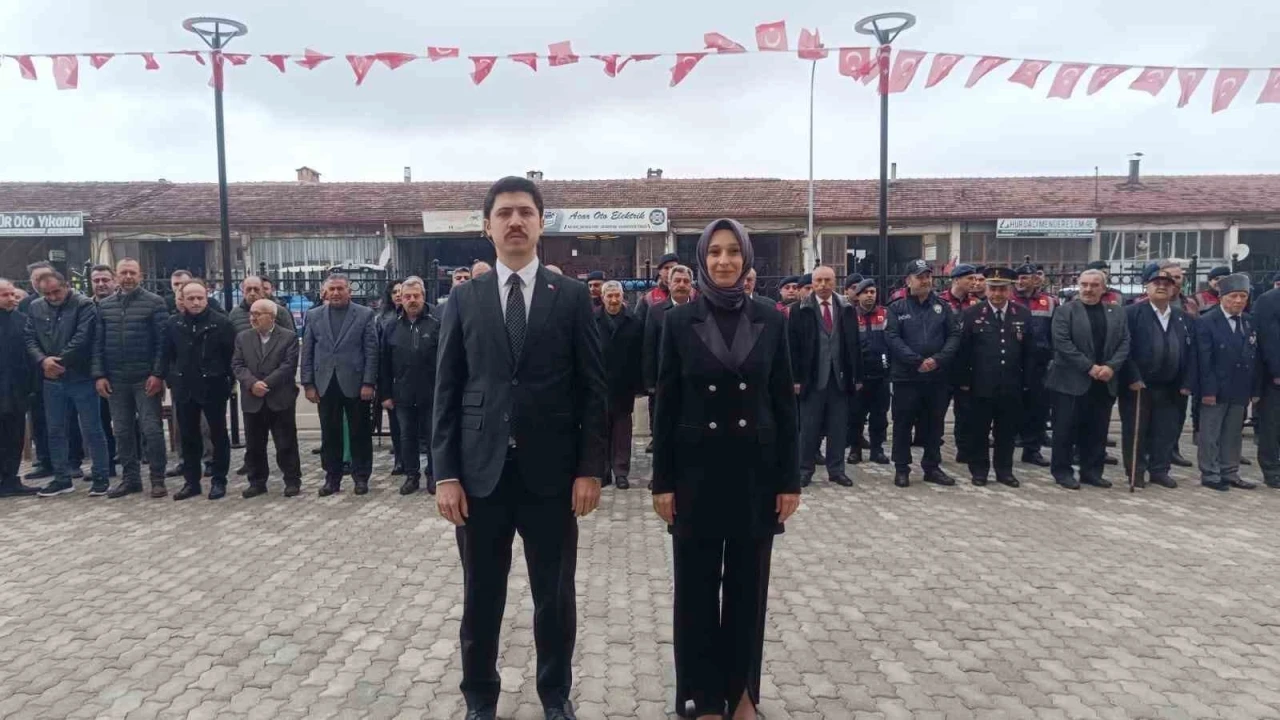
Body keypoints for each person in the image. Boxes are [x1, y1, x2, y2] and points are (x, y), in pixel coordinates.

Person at [432, 175, 607, 720]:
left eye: (525, 212)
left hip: (551, 476)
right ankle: (480, 697)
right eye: (504, 213)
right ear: (487, 226)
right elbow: (447, 389)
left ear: (541, 223)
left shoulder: (571, 297)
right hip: (480, 476)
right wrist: (445, 474)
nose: (515, 221)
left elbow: (593, 389)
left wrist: (589, 469)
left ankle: (555, 695)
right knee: (481, 596)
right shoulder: (464, 299)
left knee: (554, 597)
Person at [651, 217, 800, 720]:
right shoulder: (678, 321)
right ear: (701, 259)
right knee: (695, 592)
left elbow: (784, 404)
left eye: (733, 251)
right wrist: (662, 482)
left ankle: (741, 695)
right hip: (695, 475)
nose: (724, 261)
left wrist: (789, 480)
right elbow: (665, 406)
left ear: (747, 259)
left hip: (756, 475)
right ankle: (702, 697)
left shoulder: (772, 319)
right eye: (714, 252)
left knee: (747, 592)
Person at [25, 271, 112, 498]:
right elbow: (30, 337)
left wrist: (59, 361)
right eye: (47, 294)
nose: (53, 297)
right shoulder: (35, 307)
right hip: (51, 378)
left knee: (92, 429)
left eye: (56, 291)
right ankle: (62, 478)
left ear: (66, 286)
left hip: (81, 375)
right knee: (55, 429)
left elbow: (83, 338)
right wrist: (43, 361)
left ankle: (101, 477)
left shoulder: (83, 305)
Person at [1044, 269, 1130, 490]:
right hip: (1070, 381)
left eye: (1094, 285)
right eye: (1084, 285)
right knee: (1065, 430)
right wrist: (1089, 367)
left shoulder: (1116, 312)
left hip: (1103, 381)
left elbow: (1124, 342)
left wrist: (1111, 367)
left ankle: (1092, 471)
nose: (1088, 289)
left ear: (1104, 288)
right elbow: (1062, 344)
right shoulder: (1065, 311)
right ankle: (1062, 472)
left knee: (1097, 430)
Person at [93, 258, 170, 499]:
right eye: (123, 273)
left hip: (144, 379)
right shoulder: (105, 306)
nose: (128, 277)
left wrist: (158, 374)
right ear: (116, 276)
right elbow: (97, 344)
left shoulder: (154, 303)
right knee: (122, 430)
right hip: (116, 379)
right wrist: (99, 375)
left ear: (141, 275)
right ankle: (131, 479)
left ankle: (157, 479)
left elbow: (162, 343)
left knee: (151, 429)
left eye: (132, 273)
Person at [301, 274, 380, 497]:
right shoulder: (314, 315)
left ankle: (361, 477)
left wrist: (369, 382)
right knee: (329, 433)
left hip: (356, 383)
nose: (336, 293)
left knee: (360, 432)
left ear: (349, 291)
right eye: (332, 289)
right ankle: (332, 478)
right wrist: (308, 384)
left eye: (340, 289)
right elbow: (307, 351)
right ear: (325, 292)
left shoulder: (364, 314)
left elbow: (371, 351)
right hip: (325, 383)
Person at [884, 260, 961, 488]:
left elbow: (954, 335)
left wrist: (937, 359)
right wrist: (917, 361)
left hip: (936, 377)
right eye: (920, 277)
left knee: (934, 424)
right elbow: (892, 338)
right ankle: (902, 468)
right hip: (907, 377)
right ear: (908, 280)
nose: (925, 281)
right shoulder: (896, 308)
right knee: (903, 424)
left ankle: (932, 466)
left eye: (928, 276)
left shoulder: (942, 307)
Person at [955, 267, 1034, 487]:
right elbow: (963, 352)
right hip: (981, 385)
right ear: (986, 289)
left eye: (1002, 289)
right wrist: (963, 382)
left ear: (1010, 290)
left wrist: (1027, 382)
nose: (997, 294)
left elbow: (1029, 352)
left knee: (1006, 431)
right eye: (993, 289)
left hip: (1011, 384)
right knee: (979, 430)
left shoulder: (1022, 314)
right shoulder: (972, 314)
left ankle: (1004, 471)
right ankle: (979, 471)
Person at [1119, 265, 1195, 490]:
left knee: (1166, 431)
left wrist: (1187, 382)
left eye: (1167, 284)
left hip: (1171, 386)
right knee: (1136, 431)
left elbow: (1191, 352)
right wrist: (1132, 376)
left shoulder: (1184, 318)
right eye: (1157, 283)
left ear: (1173, 289)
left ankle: (1160, 470)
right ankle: (1135, 472)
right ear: (1147, 287)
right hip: (1139, 385)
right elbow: (1124, 348)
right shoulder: (1131, 313)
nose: (1162, 287)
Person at [160, 280, 236, 500]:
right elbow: (166, 355)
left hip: (213, 386)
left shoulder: (221, 323)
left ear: (207, 297)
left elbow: (231, 356)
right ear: (182, 300)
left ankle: (219, 480)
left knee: (218, 435)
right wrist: (171, 378)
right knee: (188, 436)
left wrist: (228, 381)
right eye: (190, 298)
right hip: (184, 387)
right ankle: (191, 482)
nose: (195, 302)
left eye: (200, 298)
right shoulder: (173, 324)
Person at [789, 265, 860, 487]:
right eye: (818, 280)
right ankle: (804, 470)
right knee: (808, 429)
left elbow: (854, 344)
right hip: (812, 379)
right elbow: (792, 347)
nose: (822, 285)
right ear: (812, 283)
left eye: (827, 280)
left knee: (838, 427)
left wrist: (857, 377)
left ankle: (836, 470)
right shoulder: (800, 309)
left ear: (835, 282)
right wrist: (795, 379)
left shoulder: (846, 308)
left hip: (839, 378)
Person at [1196, 273, 1260, 491]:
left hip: (1240, 386)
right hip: (1215, 387)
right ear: (1221, 297)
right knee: (1210, 433)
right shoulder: (1206, 321)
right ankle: (1210, 472)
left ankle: (1230, 471)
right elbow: (1204, 360)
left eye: (1243, 296)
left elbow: (1254, 357)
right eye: (1233, 296)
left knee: (1233, 433)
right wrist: (1208, 390)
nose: (1239, 301)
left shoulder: (1249, 321)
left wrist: (1254, 389)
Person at [232, 298, 302, 498]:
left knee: (286, 443)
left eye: (257, 314)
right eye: (251, 314)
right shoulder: (243, 337)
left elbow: (288, 366)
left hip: (279, 398)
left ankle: (292, 480)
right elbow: (237, 364)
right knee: (254, 444)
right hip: (252, 399)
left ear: (271, 316)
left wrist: (266, 384)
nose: (252, 318)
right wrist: (252, 383)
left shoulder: (288, 337)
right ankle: (257, 482)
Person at [378, 277, 439, 496]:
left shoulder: (436, 324)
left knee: (433, 437)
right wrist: (385, 394)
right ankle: (412, 476)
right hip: (402, 395)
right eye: (407, 296)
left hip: (431, 394)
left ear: (423, 297)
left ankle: (433, 475)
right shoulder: (391, 326)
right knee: (407, 437)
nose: (412, 300)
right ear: (400, 299)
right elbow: (384, 363)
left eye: (416, 296)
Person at [595, 280, 644, 489]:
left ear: (623, 297)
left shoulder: (634, 321)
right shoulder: (592, 320)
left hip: (624, 384)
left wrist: (640, 384)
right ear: (603, 298)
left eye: (617, 296)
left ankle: (621, 471)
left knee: (622, 431)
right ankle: (604, 470)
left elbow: (641, 353)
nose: (614, 300)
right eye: (610, 296)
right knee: (601, 429)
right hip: (599, 384)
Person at [642, 265, 695, 453]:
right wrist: (650, 382)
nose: (681, 285)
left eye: (686, 281)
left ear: (691, 285)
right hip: (663, 380)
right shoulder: (656, 311)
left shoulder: (700, 310)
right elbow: (649, 346)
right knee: (662, 428)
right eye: (677, 281)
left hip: (693, 380)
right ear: (669, 284)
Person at [1011, 263, 1057, 467]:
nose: (1020, 281)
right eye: (1018, 278)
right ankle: (1008, 448)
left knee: (1038, 408)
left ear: (1035, 279)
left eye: (1025, 277)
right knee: (1011, 407)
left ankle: (1032, 450)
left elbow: (1055, 332)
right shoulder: (1008, 300)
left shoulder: (1050, 302)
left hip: (1040, 363)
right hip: (1013, 362)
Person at [0, 279, 38, 497]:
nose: (11, 299)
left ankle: (10, 479)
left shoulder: (21, 320)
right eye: (5, 295)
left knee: (15, 435)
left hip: (16, 389)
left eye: (13, 294)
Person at [20, 261, 57, 481]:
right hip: (36, 371)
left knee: (64, 419)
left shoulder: (66, 301)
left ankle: (71, 460)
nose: (40, 282)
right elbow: (26, 336)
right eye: (35, 279)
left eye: (43, 277)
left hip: (61, 367)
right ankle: (44, 461)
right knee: (40, 419)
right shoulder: (26, 304)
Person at [848, 279, 891, 465]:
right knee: (855, 415)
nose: (869, 295)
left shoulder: (885, 314)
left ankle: (877, 450)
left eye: (872, 292)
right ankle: (855, 449)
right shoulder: (849, 315)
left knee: (879, 416)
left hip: (881, 374)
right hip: (859, 376)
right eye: (865, 292)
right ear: (858, 296)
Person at [943, 265, 981, 463]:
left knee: (965, 410)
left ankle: (964, 449)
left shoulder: (976, 303)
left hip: (966, 364)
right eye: (969, 279)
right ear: (956, 279)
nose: (974, 283)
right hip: (944, 363)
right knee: (937, 409)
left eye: (975, 279)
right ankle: (933, 446)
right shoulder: (940, 301)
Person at [1251, 278, 1280, 489]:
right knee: (1271, 426)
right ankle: (1272, 471)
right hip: (1273, 379)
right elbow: (1269, 339)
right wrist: (1277, 371)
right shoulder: (1269, 300)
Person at [378, 279, 407, 476]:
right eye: (394, 292)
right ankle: (399, 459)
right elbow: (381, 356)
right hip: (392, 380)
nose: (398, 295)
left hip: (414, 381)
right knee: (395, 424)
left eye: (401, 291)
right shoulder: (382, 319)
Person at [229, 275, 296, 335]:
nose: (252, 293)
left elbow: (290, 339)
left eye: (256, 289)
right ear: (243, 291)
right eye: (248, 289)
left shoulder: (279, 311)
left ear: (262, 291)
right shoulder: (235, 313)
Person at [636, 252, 680, 324]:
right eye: (666, 268)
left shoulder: (692, 294)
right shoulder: (648, 298)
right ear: (660, 271)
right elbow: (638, 324)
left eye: (673, 268)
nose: (670, 271)